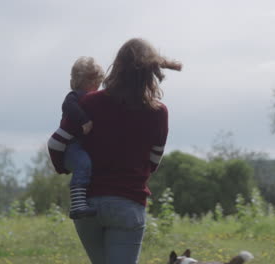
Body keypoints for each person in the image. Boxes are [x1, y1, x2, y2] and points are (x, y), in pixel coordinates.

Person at [65, 38, 181, 264]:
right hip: (128, 203)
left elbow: (58, 144)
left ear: (116, 66)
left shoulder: (89, 102)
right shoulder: (158, 112)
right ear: (151, 72)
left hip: (87, 205)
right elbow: (154, 161)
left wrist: (68, 165)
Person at [47, 56, 106, 219]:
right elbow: (68, 107)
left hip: (78, 144)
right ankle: (77, 205)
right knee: (83, 164)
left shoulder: (84, 98)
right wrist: (84, 121)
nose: (98, 88)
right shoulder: (76, 96)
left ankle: (81, 201)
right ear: (91, 81)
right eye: (98, 83)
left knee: (86, 165)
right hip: (70, 145)